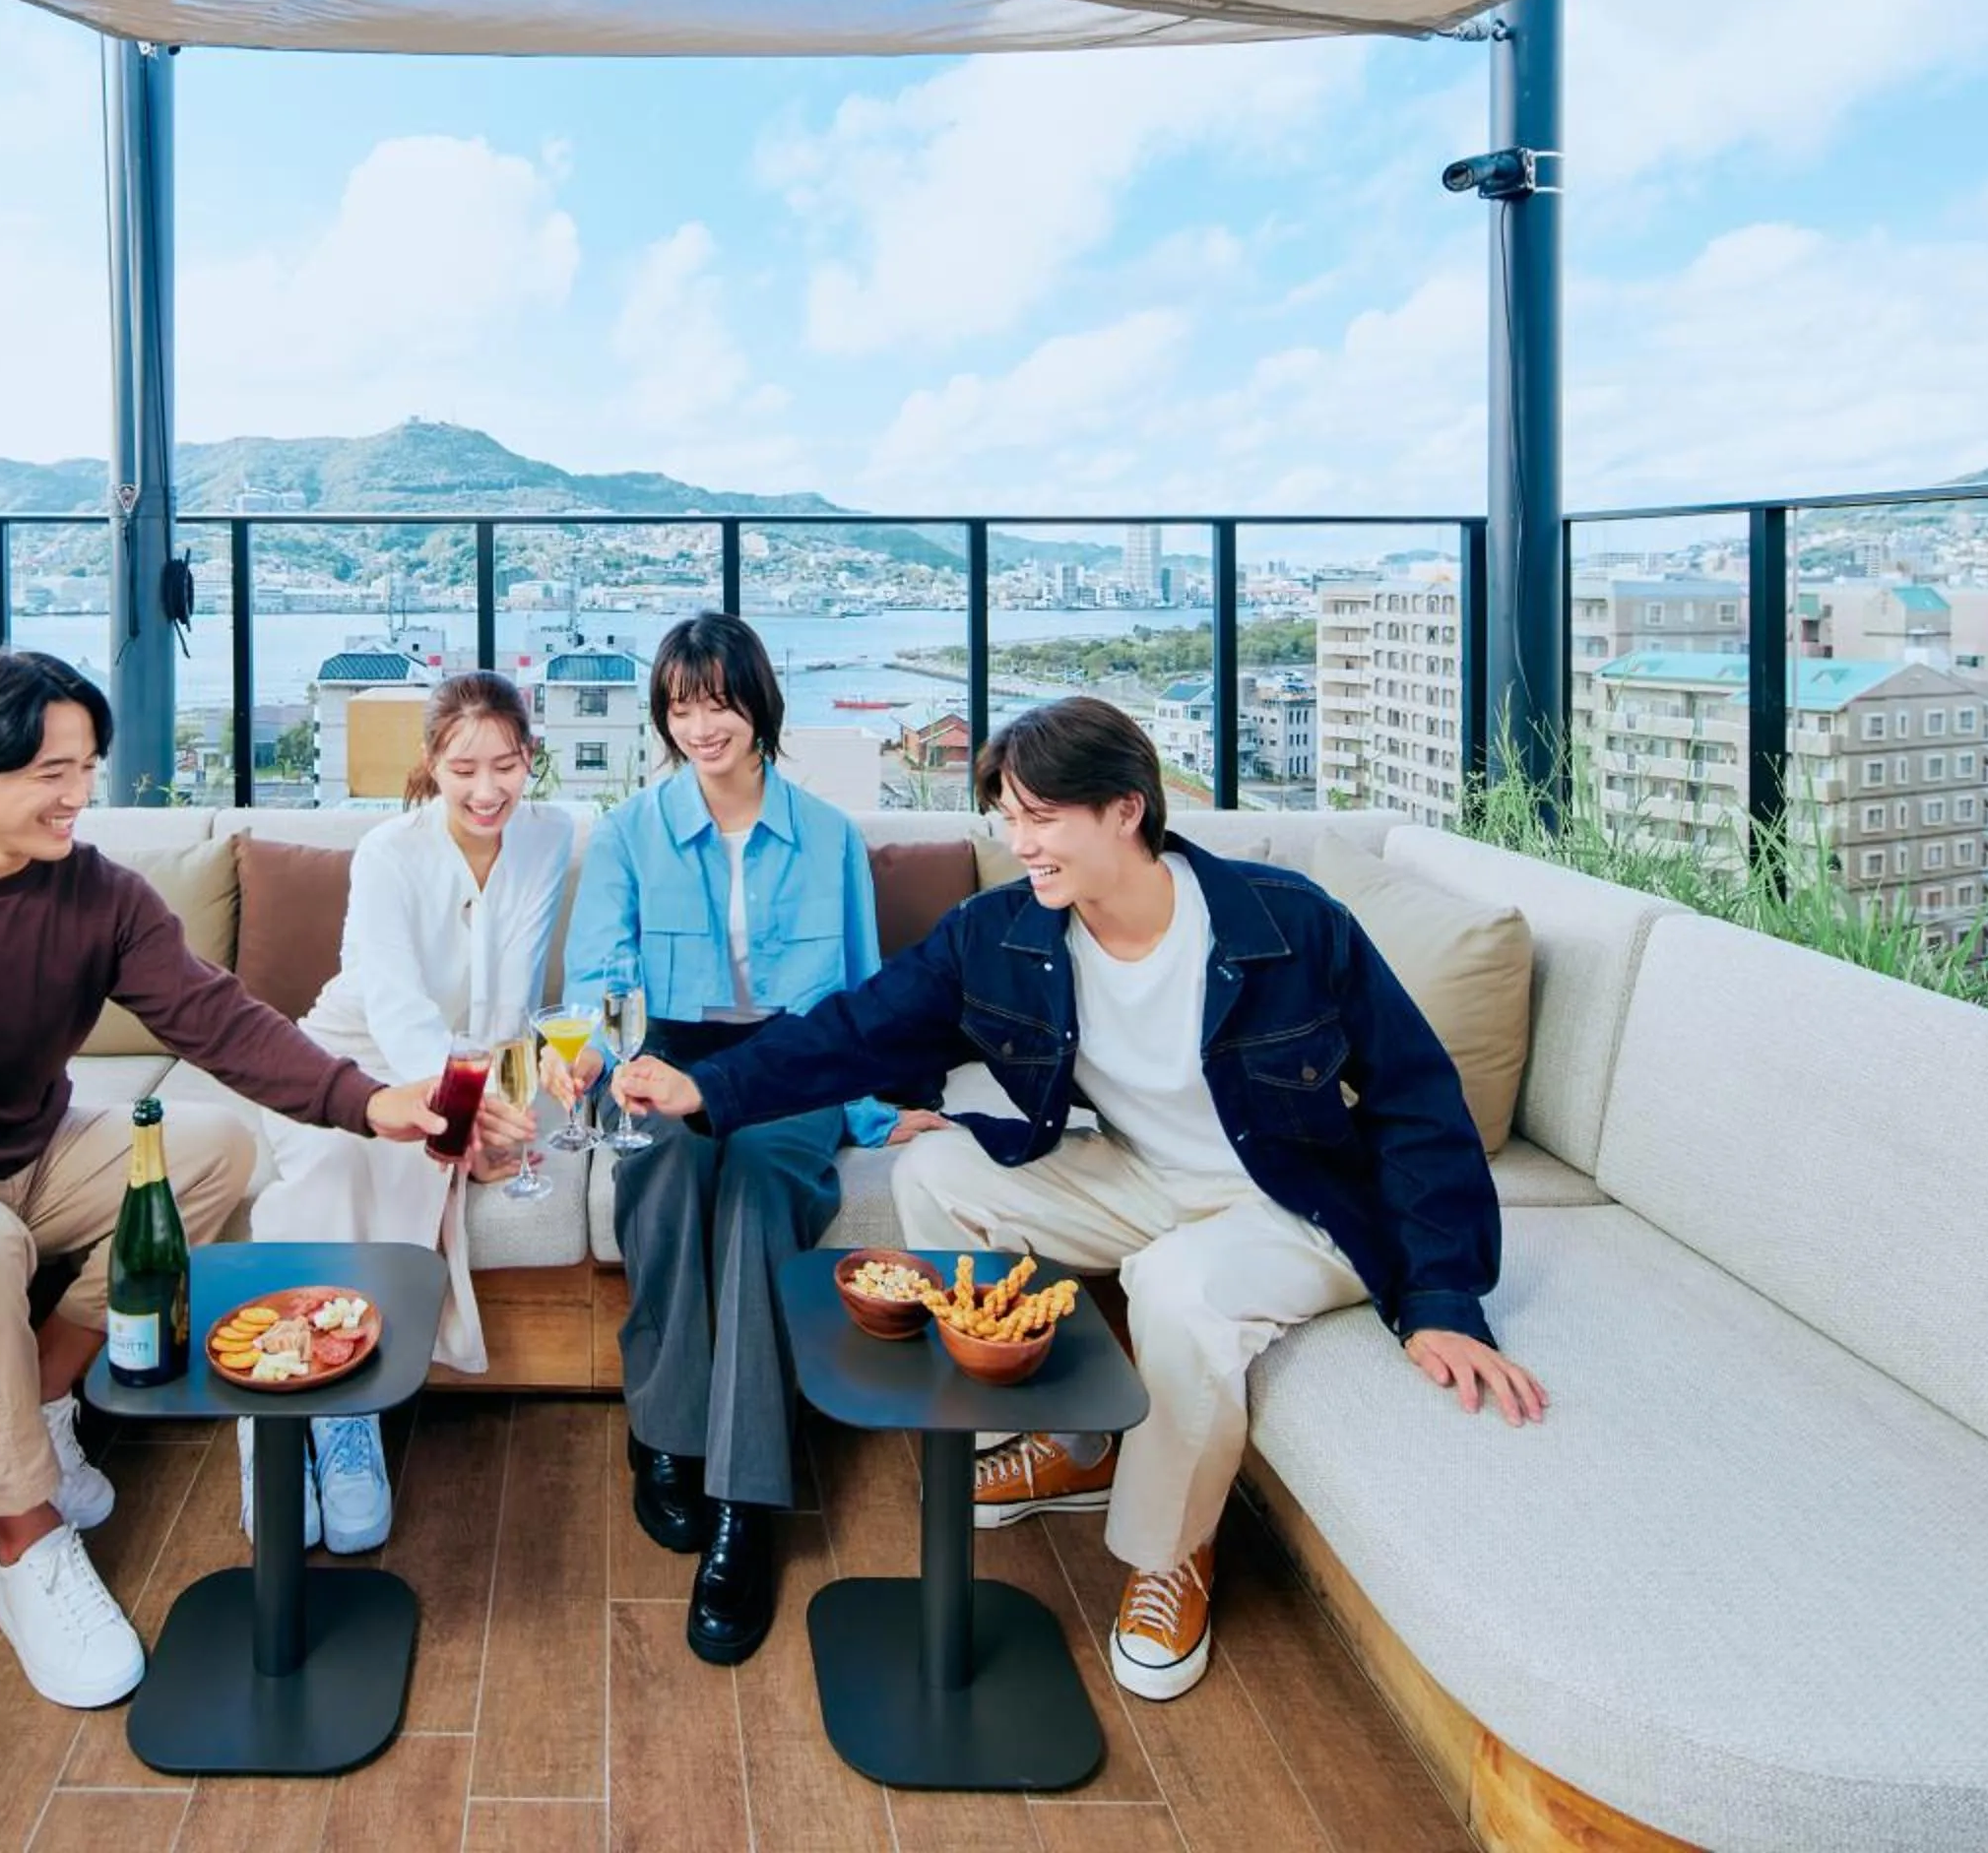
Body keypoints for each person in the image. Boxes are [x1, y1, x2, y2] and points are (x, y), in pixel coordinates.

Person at [612, 695, 1546, 1701]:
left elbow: (1418, 1100)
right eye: (1009, 819)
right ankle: (1053, 1441)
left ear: (1126, 811)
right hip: (1143, 1176)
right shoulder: (1005, 933)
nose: (1021, 844)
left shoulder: (1288, 923)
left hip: (1295, 1204)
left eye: (1041, 818)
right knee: (938, 1174)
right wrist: (710, 1087)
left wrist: (1443, 1298)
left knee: (1181, 1287)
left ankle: (1170, 1552)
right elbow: (859, 1029)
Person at [0, 649, 453, 1712]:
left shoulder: (96, 894)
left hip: (32, 1149)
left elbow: (217, 1017)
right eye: (49, 771)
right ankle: (28, 1546)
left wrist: (363, 1099)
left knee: (213, 1148)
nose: (78, 795)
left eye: (87, 766)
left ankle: (50, 1389)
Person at [553, 612, 948, 1667]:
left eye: (718, 700)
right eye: (680, 705)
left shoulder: (828, 837)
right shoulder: (631, 830)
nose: (700, 724)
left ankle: (742, 1499)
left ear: (758, 703)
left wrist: (870, 1109)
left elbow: (861, 998)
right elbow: (598, 980)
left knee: (762, 1189)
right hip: (662, 1050)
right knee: (670, 1168)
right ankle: (666, 1432)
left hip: (794, 1063)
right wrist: (600, 1057)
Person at [250, 673, 559, 1554]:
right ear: (432, 764)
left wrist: (479, 1116)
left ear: (530, 759)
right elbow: (390, 1002)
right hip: (355, 1053)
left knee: (419, 1164)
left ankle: (346, 1409)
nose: (487, 788)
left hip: (464, 1059)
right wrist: (448, 1110)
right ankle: (268, 1418)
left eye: (506, 764)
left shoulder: (548, 838)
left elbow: (511, 1000)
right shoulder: (388, 851)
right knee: (349, 1157)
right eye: (465, 767)